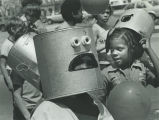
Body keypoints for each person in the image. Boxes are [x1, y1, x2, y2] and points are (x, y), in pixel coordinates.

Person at [0, 17, 43, 120]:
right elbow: (2, 64)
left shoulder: (22, 42)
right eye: (19, 27)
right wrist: (8, 80)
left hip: (23, 71)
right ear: (12, 29)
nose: (22, 28)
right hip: (15, 73)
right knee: (17, 96)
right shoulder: (6, 45)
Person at [102, 27, 159, 96]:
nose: (114, 53)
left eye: (119, 49)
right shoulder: (106, 73)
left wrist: (149, 50)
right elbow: (99, 100)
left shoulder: (142, 67)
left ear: (131, 48)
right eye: (112, 50)